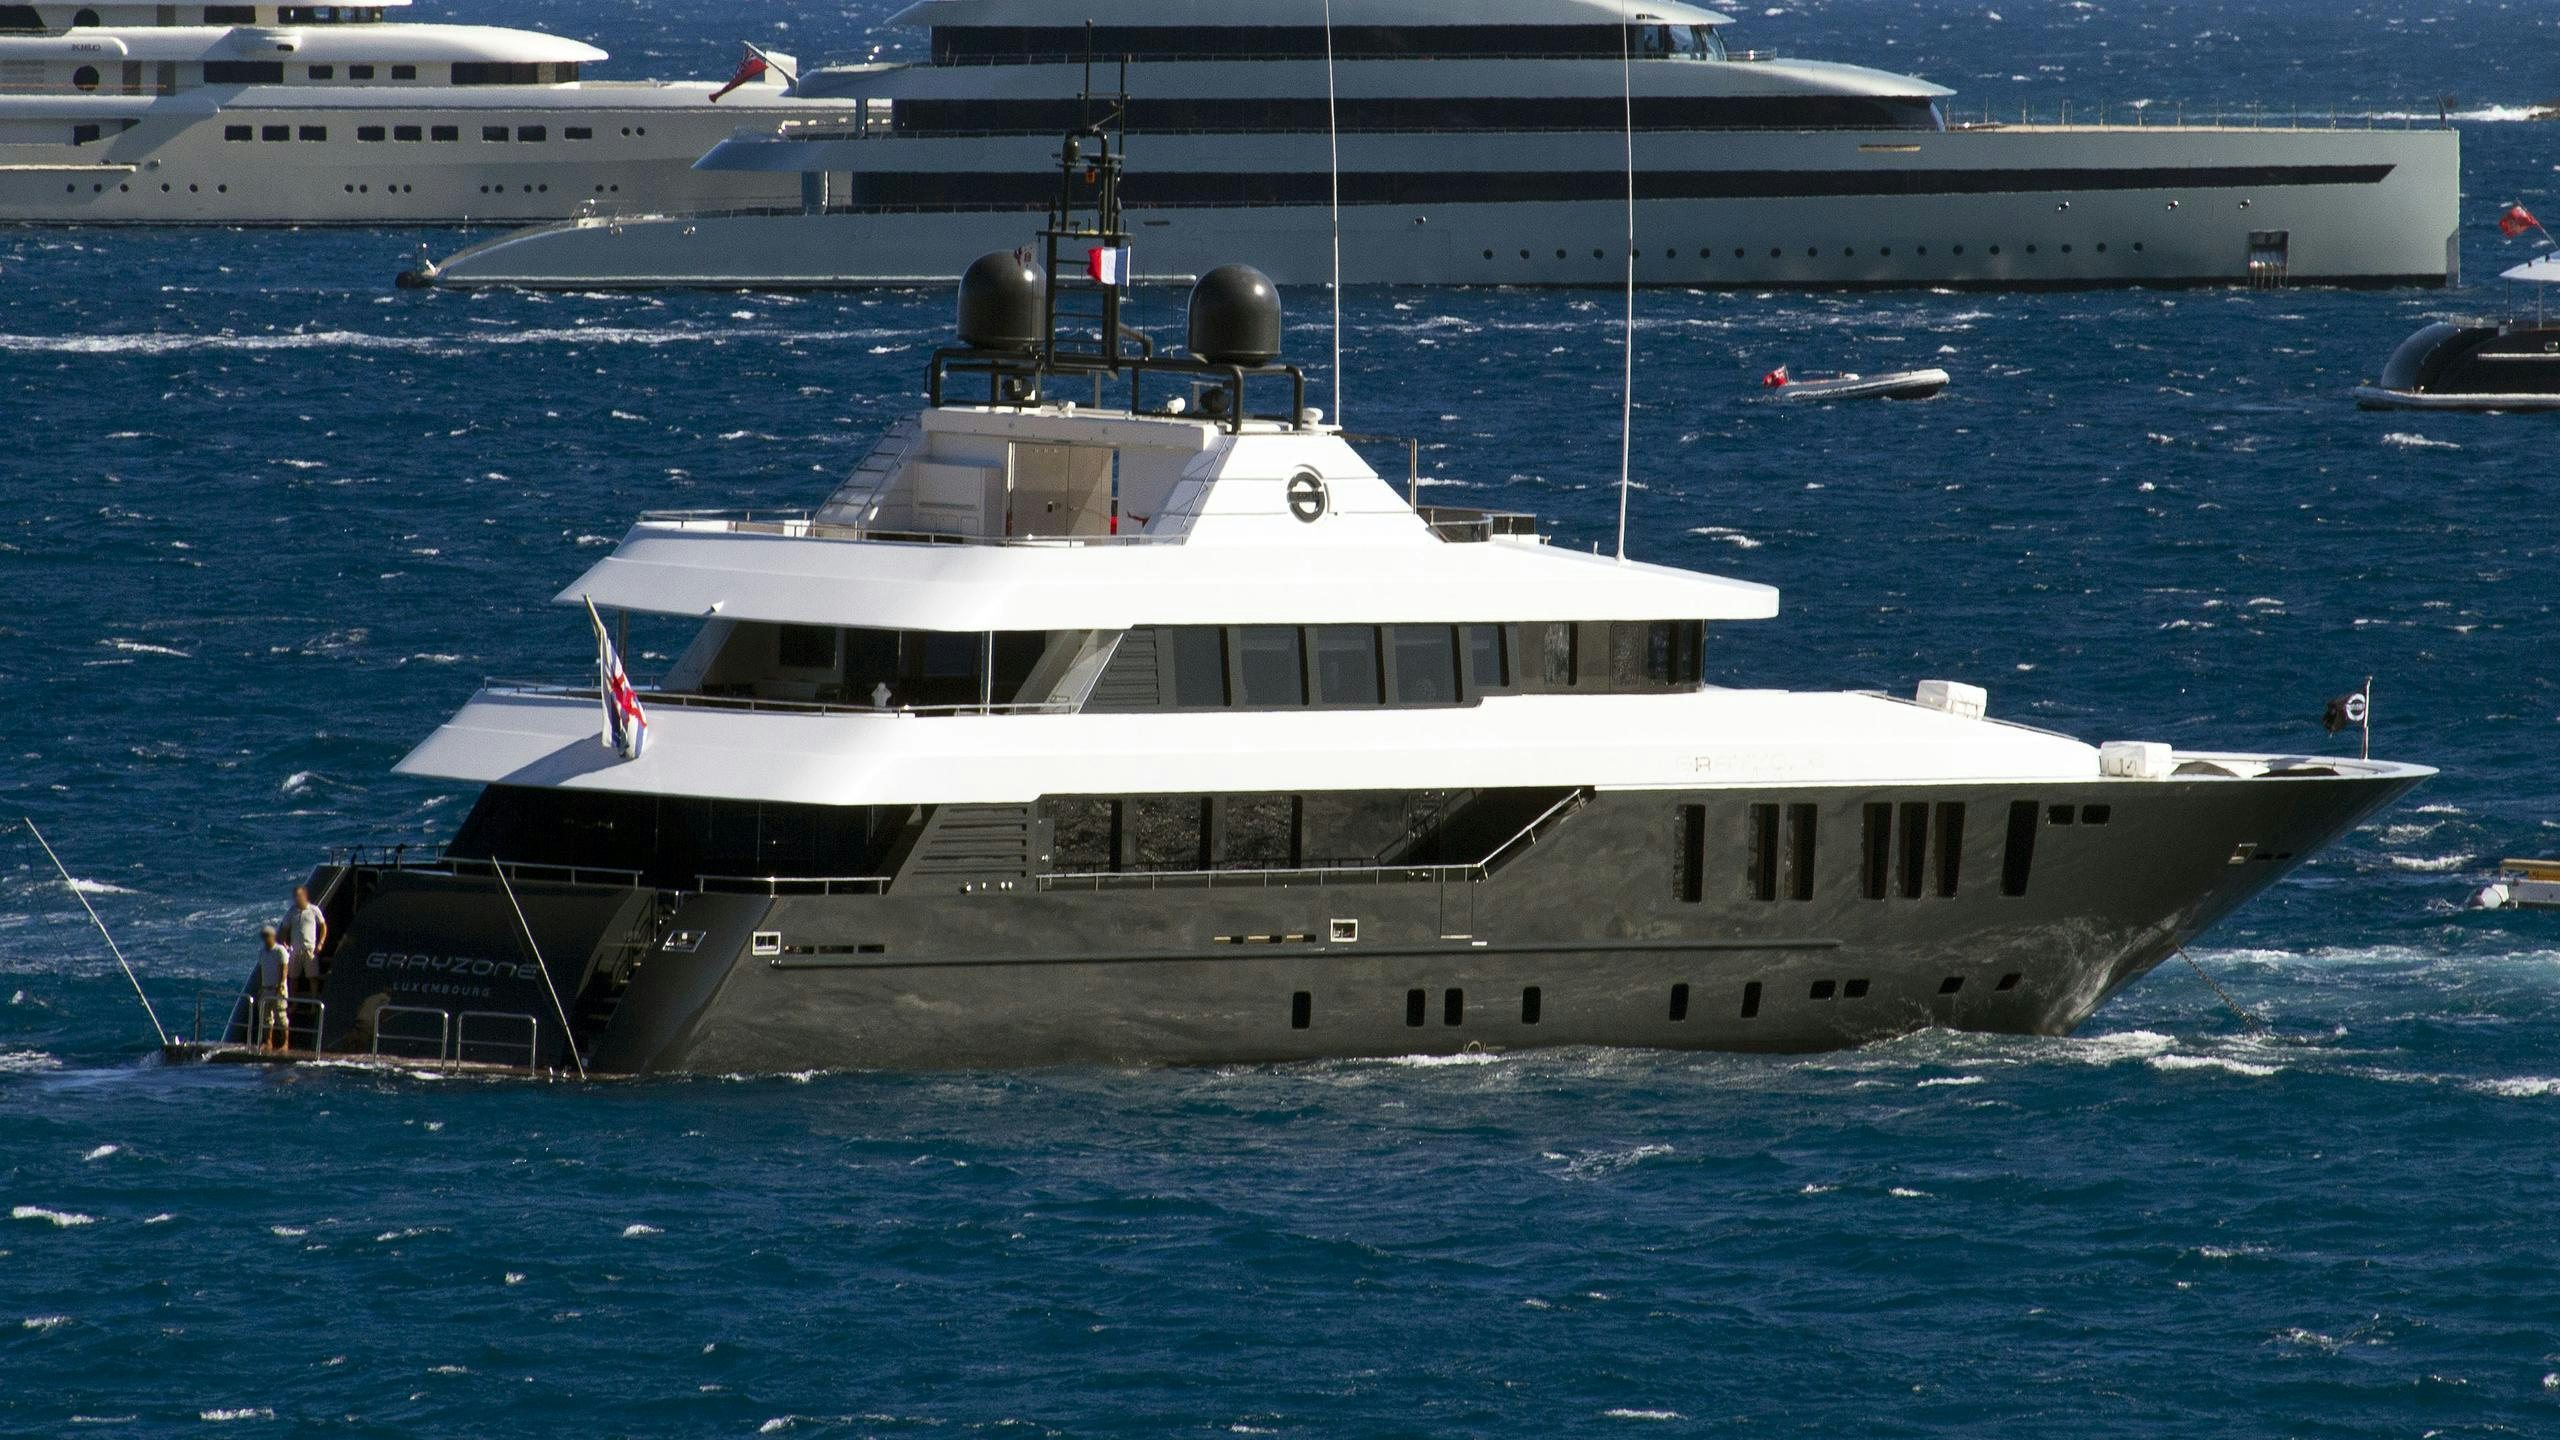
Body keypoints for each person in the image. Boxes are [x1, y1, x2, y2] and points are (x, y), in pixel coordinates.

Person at [255, 924, 292, 1051]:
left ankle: (286, 1043)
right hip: (266, 988)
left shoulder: (280, 950)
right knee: (266, 1017)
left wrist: (281, 985)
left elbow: (284, 968)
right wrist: (260, 986)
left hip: (277, 988)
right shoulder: (262, 952)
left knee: (281, 1016)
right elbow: (261, 970)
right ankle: (268, 1041)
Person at [286, 885, 327, 993]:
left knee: (312, 977)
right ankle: (294, 1003)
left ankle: (314, 1002)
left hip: (309, 949)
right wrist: (285, 943)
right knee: (293, 978)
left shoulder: (314, 910)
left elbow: (323, 926)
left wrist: (320, 943)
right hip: (295, 950)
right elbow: (285, 928)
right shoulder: (292, 912)